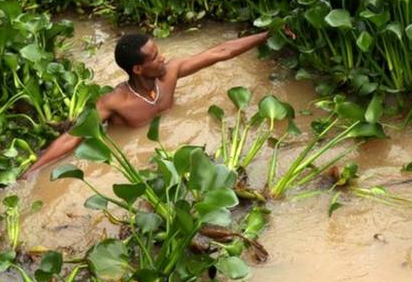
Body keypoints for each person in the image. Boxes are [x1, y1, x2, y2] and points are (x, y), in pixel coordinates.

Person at [21, 30, 270, 178]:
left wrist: (268, 34)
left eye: (158, 51)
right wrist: (31, 173)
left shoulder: (170, 72)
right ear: (138, 68)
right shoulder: (115, 101)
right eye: (154, 57)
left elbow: (220, 52)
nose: (163, 58)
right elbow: (72, 138)